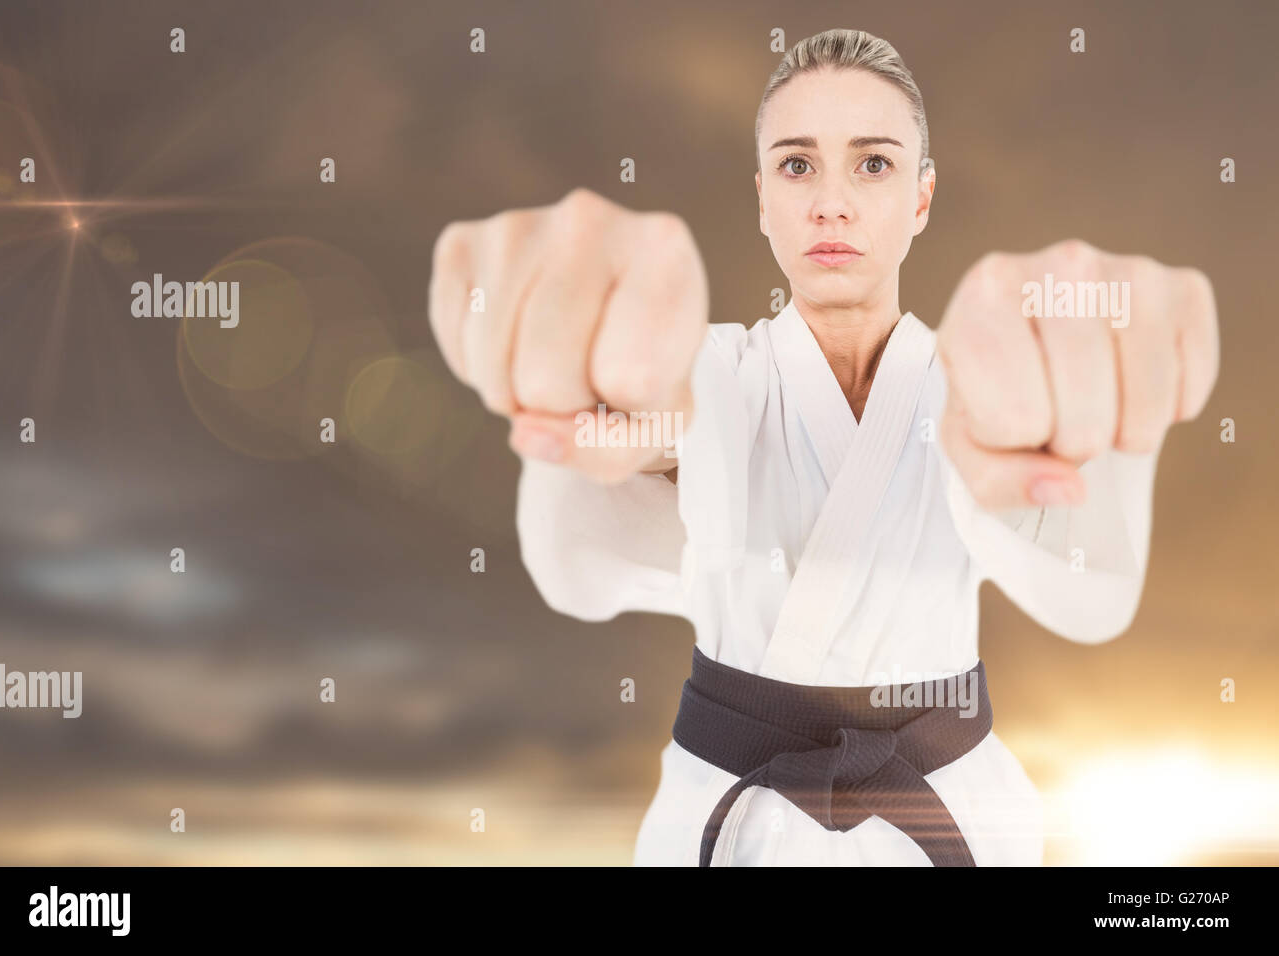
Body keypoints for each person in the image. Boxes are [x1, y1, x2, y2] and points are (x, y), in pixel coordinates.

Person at [427, 28, 1219, 866]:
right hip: (730, 816)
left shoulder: (980, 385)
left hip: (948, 807)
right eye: (798, 165)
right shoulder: (712, 373)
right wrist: (597, 362)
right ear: (763, 197)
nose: (830, 203)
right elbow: (666, 420)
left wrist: (1080, 380)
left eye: (872, 164)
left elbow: (1083, 580)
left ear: (921, 198)